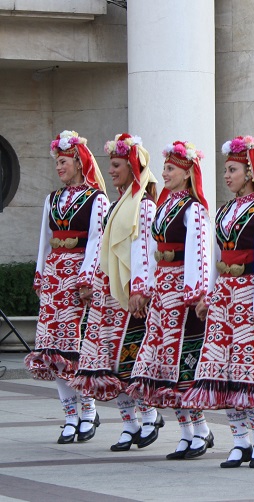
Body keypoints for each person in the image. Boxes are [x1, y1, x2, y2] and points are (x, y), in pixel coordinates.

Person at [181, 135, 254, 468]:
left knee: (248, 371)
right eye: (225, 170)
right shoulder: (224, 211)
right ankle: (238, 440)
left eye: (232, 169)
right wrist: (207, 294)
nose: (227, 175)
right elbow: (215, 256)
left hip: (250, 296)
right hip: (224, 298)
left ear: (248, 171)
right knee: (223, 371)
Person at [70, 134, 165, 451]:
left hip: (129, 296)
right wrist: (87, 280)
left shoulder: (145, 206)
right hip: (106, 294)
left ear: (131, 167)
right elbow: (96, 246)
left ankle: (149, 415)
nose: (109, 171)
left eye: (116, 165)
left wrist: (140, 288)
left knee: (131, 362)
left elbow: (146, 250)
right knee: (107, 364)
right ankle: (129, 423)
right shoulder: (113, 207)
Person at [126, 140, 215, 460]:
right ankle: (187, 430)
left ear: (188, 171)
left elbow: (200, 254)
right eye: (164, 168)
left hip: (183, 294)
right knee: (163, 366)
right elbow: (149, 252)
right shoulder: (162, 207)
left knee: (182, 366)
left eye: (171, 169)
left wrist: (198, 294)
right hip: (162, 294)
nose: (164, 173)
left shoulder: (194, 208)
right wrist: (144, 288)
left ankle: (199, 429)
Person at [26, 130, 109, 444]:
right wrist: (40, 274)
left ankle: (87, 411)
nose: (59, 167)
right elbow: (44, 241)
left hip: (78, 283)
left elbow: (96, 243)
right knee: (53, 352)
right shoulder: (52, 198)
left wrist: (87, 278)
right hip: (54, 279)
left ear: (78, 160)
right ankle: (69, 415)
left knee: (76, 351)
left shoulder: (97, 199)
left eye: (63, 162)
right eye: (57, 162)